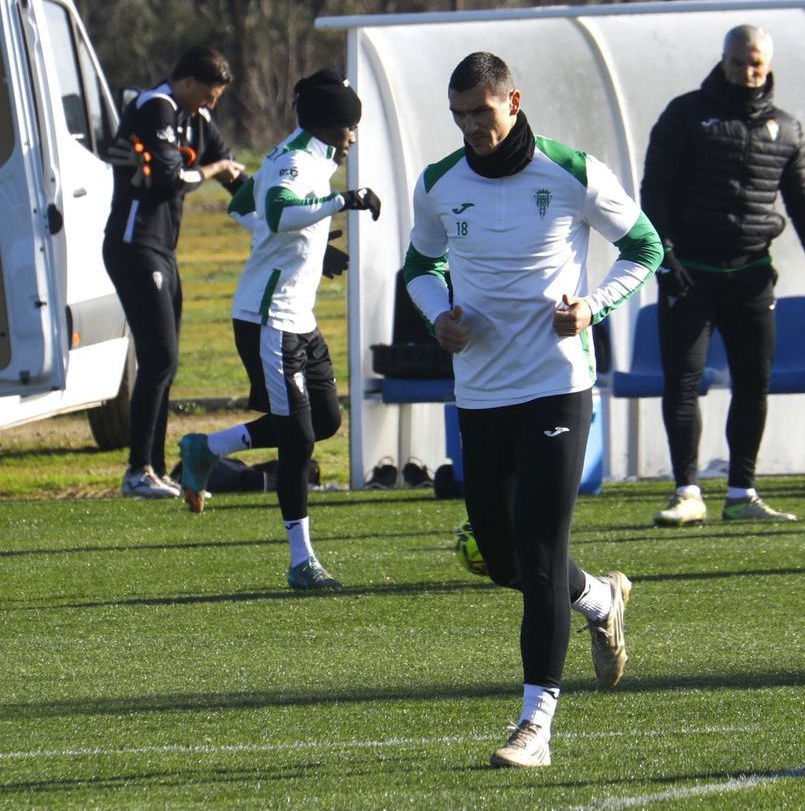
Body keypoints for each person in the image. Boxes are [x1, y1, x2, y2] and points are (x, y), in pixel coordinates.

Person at [404, 52, 661, 767]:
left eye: (480, 113)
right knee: (502, 557)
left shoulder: (571, 171)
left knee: (541, 556)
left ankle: (535, 726)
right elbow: (419, 268)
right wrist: (437, 319)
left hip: (556, 386)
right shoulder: (438, 183)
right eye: (458, 116)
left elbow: (645, 246)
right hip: (480, 392)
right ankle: (603, 602)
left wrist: (593, 306)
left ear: (512, 100)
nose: (470, 128)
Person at [175, 68, 381, 589]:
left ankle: (207, 449)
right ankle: (301, 561)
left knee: (325, 421)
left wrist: (311, 248)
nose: (353, 137)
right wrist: (342, 203)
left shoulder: (302, 150)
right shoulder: (296, 160)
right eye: (348, 127)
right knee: (298, 442)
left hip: (296, 319)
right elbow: (274, 208)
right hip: (269, 321)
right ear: (328, 125)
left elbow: (242, 208)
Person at [640, 24, 805, 526]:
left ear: (768, 65)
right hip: (690, 273)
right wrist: (663, 254)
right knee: (683, 382)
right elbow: (655, 189)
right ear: (722, 59)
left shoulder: (787, 129)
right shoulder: (685, 114)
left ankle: (742, 493)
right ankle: (687, 491)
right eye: (738, 62)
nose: (747, 73)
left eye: (756, 64)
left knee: (754, 383)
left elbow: (804, 202)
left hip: (751, 274)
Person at [102, 46, 246, 498]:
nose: (212, 105)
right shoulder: (156, 107)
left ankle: (154, 470)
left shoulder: (196, 120)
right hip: (134, 245)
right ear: (186, 83)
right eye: (208, 95)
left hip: (163, 250)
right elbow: (167, 181)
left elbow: (230, 169)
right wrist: (214, 168)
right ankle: (137, 470)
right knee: (159, 356)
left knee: (166, 361)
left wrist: (269, 205)